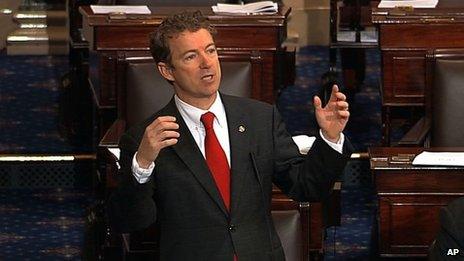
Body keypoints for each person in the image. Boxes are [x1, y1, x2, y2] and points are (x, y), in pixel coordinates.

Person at [109, 10, 352, 260]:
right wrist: (143, 164)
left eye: (211, 50)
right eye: (191, 56)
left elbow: (306, 187)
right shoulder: (146, 139)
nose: (207, 63)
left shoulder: (260, 119)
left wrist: (330, 139)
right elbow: (132, 221)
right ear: (167, 71)